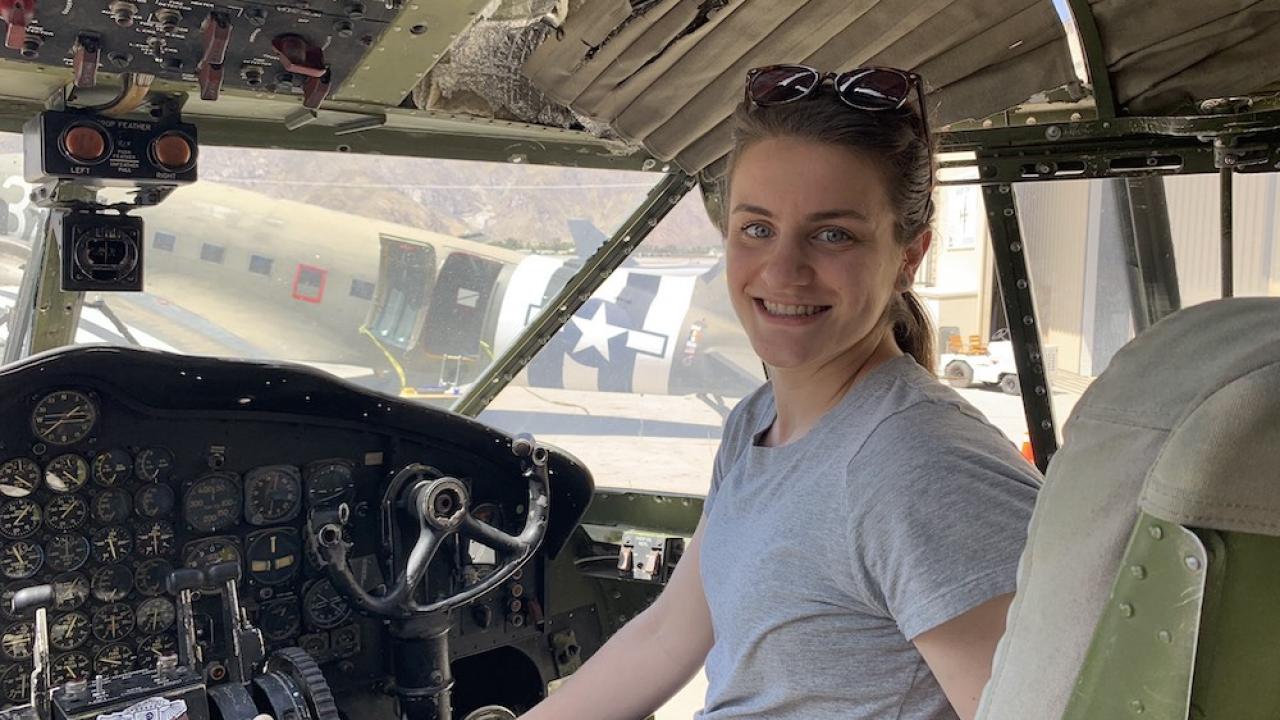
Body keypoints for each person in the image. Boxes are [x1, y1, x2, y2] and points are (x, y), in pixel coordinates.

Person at [519, 65, 1041, 720]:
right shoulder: (756, 423)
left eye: (833, 234)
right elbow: (665, 638)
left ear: (910, 257)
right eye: (757, 228)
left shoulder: (923, 467)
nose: (783, 270)